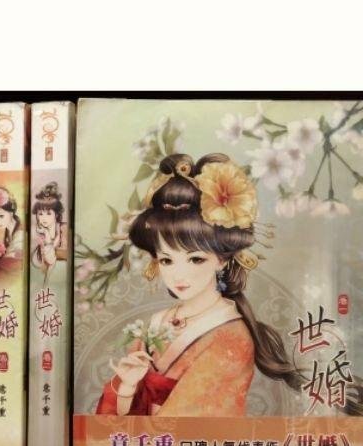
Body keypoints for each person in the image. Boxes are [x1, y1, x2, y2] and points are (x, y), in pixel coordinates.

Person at [97, 152, 303, 417]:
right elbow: (115, 420)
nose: (178, 274)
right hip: (145, 442)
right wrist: (127, 387)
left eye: (195, 259)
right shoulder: (155, 324)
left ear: (221, 260)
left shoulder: (232, 338)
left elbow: (191, 426)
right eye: (167, 260)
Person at [0, 186, 24, 288]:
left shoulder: (20, 233)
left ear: (11, 212)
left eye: (1, 216)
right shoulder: (9, 229)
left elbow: (12, 263)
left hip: (16, 273)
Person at [31, 181, 68, 278]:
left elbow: (55, 258)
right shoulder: (38, 231)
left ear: (56, 214)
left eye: (48, 214)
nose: (44, 218)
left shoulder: (63, 230)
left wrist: (48, 236)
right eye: (40, 214)